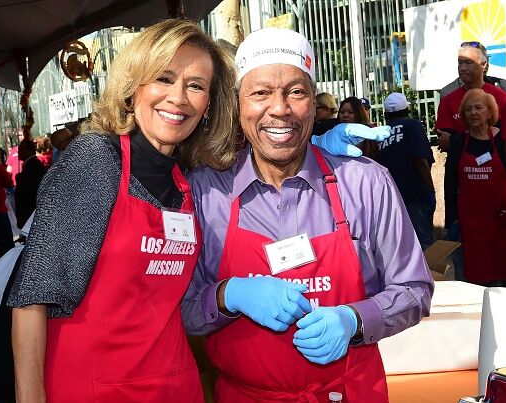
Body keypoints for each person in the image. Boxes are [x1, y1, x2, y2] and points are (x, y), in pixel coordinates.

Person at [181, 27, 433, 403]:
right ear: (238, 105)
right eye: (260, 93)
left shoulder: (366, 183)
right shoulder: (205, 193)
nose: (279, 108)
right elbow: (184, 310)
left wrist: (355, 320)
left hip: (351, 392)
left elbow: (415, 289)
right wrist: (227, 295)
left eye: (296, 92)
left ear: (314, 106)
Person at [6, 19, 238, 402]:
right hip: (92, 389)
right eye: (163, 78)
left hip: (176, 388)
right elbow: (31, 299)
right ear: (133, 90)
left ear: (209, 106)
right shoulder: (96, 159)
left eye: (195, 86)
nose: (178, 97)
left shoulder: (188, 181)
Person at [445, 88, 506, 286]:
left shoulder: (503, 141)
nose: (473, 113)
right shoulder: (459, 143)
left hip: (505, 222)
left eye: (478, 108)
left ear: (490, 112)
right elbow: (450, 183)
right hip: (473, 226)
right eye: (468, 110)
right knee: (479, 281)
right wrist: (451, 219)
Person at [378, 92, 436, 250]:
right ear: (406, 111)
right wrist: (430, 190)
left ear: (385, 114)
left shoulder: (380, 134)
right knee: (423, 246)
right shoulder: (413, 126)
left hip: (390, 199)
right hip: (414, 196)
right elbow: (421, 160)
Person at [440, 41, 506, 98]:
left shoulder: (504, 86)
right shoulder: (448, 93)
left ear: (484, 64)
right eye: (460, 62)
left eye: (468, 62)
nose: (462, 68)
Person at [14, 139, 46, 228]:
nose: (18, 153)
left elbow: (26, 194)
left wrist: (22, 216)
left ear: (28, 151)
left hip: (31, 212)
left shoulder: (32, 167)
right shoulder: (33, 165)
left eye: (20, 150)